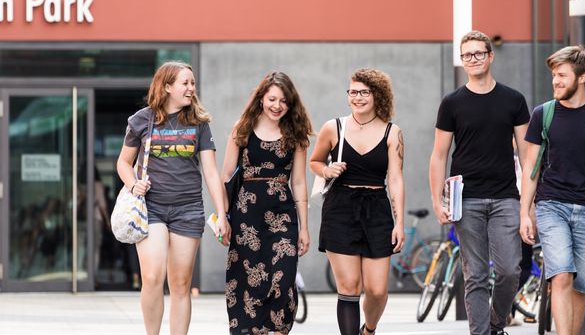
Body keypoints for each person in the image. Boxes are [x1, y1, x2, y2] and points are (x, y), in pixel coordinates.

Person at [116, 61, 231, 335]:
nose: (191, 88)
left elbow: (211, 173)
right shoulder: (142, 120)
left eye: (193, 83)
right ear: (167, 86)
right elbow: (122, 162)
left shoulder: (198, 123)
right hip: (151, 208)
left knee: (180, 284)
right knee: (153, 277)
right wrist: (134, 185)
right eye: (185, 83)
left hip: (188, 209)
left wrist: (222, 214)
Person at [429, 30, 530, 335]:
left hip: (505, 198)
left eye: (478, 53)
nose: (472, 59)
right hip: (466, 199)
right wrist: (437, 201)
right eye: (466, 55)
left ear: (490, 56)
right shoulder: (452, 103)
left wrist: (529, 205)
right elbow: (438, 156)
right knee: (474, 275)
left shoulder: (513, 100)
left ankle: (497, 323)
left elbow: (527, 156)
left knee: (510, 271)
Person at [519, 46, 585, 335]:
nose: (555, 81)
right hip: (551, 205)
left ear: (582, 77)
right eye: (554, 75)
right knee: (562, 275)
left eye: (562, 75)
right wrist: (525, 213)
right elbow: (531, 167)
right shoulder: (543, 114)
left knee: (582, 285)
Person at [310, 68, 405, 335]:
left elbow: (396, 179)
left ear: (378, 95)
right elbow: (315, 161)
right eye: (353, 92)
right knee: (349, 287)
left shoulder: (392, 132)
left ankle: (369, 329)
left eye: (364, 92)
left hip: (376, 207)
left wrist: (399, 222)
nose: (358, 97)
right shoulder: (333, 127)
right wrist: (326, 170)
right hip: (340, 208)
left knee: (377, 290)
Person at [221, 71, 312, 335]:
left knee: (282, 282)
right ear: (261, 98)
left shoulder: (296, 133)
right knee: (247, 281)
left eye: (284, 101)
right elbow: (226, 176)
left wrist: (304, 228)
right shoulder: (243, 128)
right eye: (272, 99)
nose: (277, 106)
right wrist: (222, 219)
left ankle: (277, 330)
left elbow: (298, 183)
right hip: (246, 218)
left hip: (283, 216)